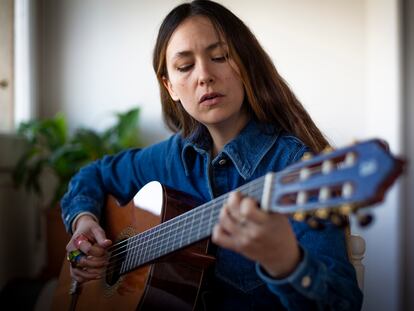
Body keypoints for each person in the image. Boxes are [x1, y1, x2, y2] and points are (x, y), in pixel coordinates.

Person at [61, 0, 363, 310]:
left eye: (219, 56)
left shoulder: (296, 168)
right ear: (170, 87)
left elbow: (342, 304)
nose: (204, 75)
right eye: (185, 66)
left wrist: (286, 262)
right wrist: (83, 224)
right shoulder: (170, 158)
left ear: (246, 65)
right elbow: (92, 175)